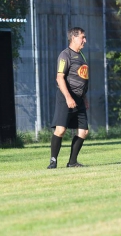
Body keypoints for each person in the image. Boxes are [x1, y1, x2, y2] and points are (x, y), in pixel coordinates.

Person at [47, 27, 89, 169]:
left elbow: (82, 77)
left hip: (79, 99)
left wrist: (84, 98)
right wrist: (68, 97)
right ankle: (53, 161)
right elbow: (60, 78)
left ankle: (72, 162)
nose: (85, 40)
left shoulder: (81, 55)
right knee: (61, 130)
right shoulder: (65, 55)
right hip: (66, 97)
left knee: (83, 131)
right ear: (73, 38)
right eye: (82, 37)